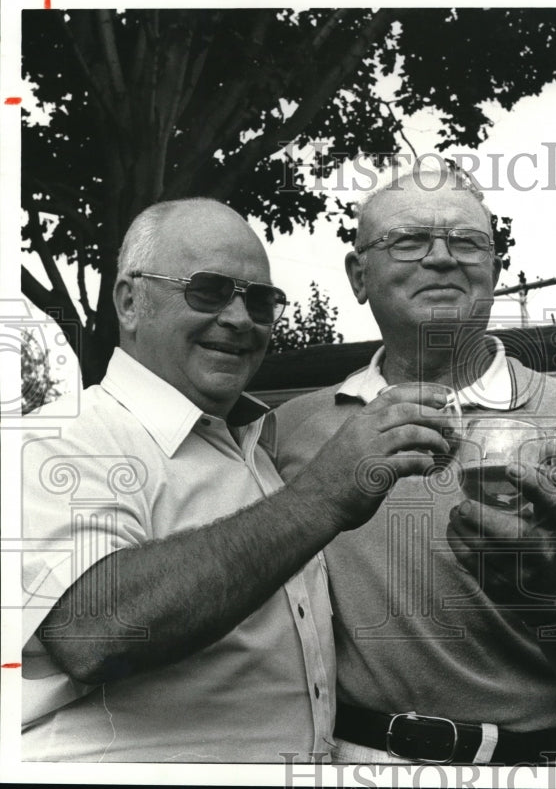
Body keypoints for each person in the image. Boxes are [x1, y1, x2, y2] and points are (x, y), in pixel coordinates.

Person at [20, 198, 455, 761]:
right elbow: (91, 631)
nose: (238, 319)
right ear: (130, 301)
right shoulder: (58, 440)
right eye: (207, 290)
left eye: (259, 300)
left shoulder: (260, 447)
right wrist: (323, 496)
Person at [273, 164, 556, 765]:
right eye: (408, 241)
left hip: (528, 769)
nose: (441, 258)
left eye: (467, 241)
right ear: (359, 276)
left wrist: (550, 594)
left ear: (495, 268)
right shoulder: (294, 432)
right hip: (354, 763)